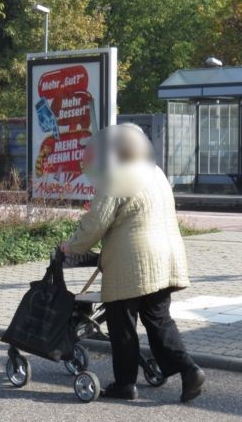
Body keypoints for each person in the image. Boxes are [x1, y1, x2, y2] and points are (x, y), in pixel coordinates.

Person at [60, 123, 205, 403]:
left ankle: (125, 385)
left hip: (133, 262)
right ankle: (189, 370)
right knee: (159, 320)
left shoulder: (116, 176)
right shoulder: (156, 173)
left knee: (122, 324)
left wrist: (72, 245)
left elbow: (96, 223)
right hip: (166, 257)